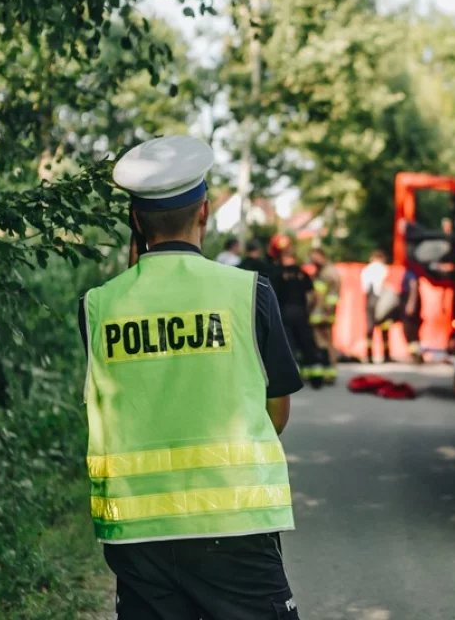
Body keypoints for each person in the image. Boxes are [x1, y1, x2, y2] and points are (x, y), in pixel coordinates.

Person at [77, 135, 303, 620]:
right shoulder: (249, 292)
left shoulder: (97, 306)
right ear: (204, 212)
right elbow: (277, 413)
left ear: (136, 221)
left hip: (138, 534)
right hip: (235, 524)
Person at [273, 246, 324, 388]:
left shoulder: (278, 275)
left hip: (285, 313)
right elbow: (311, 296)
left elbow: (274, 297)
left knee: (289, 346)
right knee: (307, 344)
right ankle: (316, 377)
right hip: (301, 313)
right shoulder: (303, 274)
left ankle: (291, 378)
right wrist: (308, 310)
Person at [307, 247, 340, 385]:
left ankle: (330, 372)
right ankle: (327, 371)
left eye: (315, 258)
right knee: (321, 344)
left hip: (324, 315)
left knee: (326, 343)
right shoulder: (320, 272)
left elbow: (333, 295)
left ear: (322, 256)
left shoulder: (329, 272)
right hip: (317, 314)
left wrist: (328, 312)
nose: (313, 261)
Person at [360, 250, 395, 363]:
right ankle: (386, 355)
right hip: (382, 301)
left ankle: (369, 355)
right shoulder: (385, 269)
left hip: (370, 300)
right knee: (384, 328)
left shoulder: (366, 270)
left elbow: (364, 288)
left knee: (370, 328)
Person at [400, 266, 424, 364]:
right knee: (410, 331)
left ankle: (417, 355)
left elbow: (413, 286)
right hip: (409, 301)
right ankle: (415, 354)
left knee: (410, 330)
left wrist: (411, 304)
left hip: (410, 302)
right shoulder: (409, 271)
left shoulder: (411, 272)